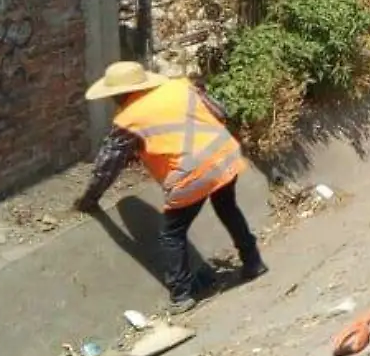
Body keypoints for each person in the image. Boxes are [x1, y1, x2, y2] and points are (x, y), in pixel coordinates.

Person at [75, 61, 265, 310]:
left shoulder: (127, 119)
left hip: (191, 175)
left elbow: (107, 167)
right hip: (224, 155)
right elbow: (220, 112)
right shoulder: (180, 87)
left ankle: (180, 295)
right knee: (227, 208)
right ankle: (253, 261)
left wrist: (90, 198)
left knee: (171, 234)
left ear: (118, 94)